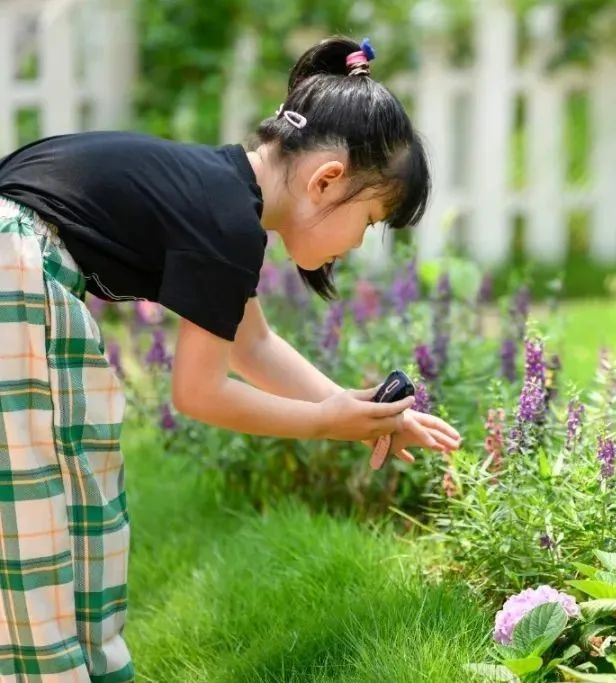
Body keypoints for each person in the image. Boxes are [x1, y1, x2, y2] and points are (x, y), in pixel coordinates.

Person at [0, 36, 460, 682]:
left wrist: (355, 409)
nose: (358, 243)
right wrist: (326, 422)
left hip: (28, 273)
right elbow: (198, 392)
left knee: (81, 492)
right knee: (36, 520)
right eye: (370, 220)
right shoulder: (228, 218)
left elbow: (255, 345)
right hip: (17, 273)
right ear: (326, 180)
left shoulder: (223, 197)